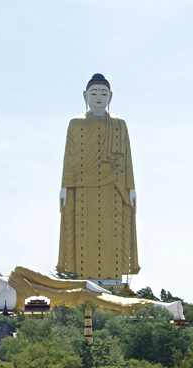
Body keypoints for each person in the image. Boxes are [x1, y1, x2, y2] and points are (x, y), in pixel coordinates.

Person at [58, 73, 139, 283]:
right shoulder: (75, 124)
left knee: (113, 232)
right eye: (94, 93)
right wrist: (64, 186)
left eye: (103, 93)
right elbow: (70, 157)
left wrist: (131, 188)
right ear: (85, 95)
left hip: (114, 187)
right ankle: (82, 279)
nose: (98, 97)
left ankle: (113, 280)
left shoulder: (119, 124)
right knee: (82, 232)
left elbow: (127, 157)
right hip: (82, 186)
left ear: (110, 96)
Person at [0, 256, 185, 321]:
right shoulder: (0, 300)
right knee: (121, 311)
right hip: (72, 310)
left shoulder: (19, 272)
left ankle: (167, 308)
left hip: (78, 296)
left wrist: (84, 283)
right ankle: (167, 310)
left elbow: (55, 283)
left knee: (120, 305)